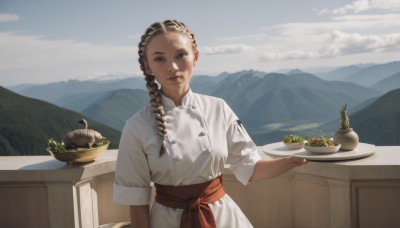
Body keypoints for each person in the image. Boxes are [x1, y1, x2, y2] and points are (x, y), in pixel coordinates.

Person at [113, 19, 307, 228]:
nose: (173, 67)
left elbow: (250, 167)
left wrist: (293, 161)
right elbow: (137, 202)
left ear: (195, 57)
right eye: (160, 59)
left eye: (181, 55)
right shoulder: (137, 126)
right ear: (146, 66)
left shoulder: (218, 109)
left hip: (222, 218)